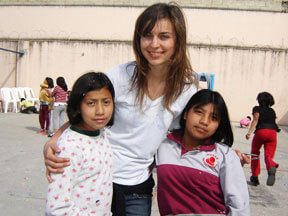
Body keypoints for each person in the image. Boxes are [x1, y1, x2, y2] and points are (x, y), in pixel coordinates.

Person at [43, 3, 249, 215]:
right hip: (97, 178)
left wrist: (224, 155)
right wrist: (54, 139)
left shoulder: (185, 89)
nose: (154, 44)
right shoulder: (120, 76)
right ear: (138, 39)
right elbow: (87, 112)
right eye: (147, 35)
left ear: (178, 40)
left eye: (164, 36)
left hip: (138, 187)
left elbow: (186, 133)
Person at [156, 89, 250, 216]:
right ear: (185, 114)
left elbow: (239, 206)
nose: (204, 122)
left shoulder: (225, 156)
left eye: (214, 117)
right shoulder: (162, 146)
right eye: (199, 112)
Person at [46, 72, 115, 215]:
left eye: (106, 102)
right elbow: (57, 208)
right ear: (78, 105)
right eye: (91, 103)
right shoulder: (70, 147)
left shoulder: (101, 134)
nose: (100, 111)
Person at [246, 92, 280, 186]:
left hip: (261, 131)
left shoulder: (257, 109)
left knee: (255, 153)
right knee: (268, 155)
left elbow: (255, 120)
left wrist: (249, 132)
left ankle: (255, 177)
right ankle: (271, 166)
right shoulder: (272, 111)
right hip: (273, 133)